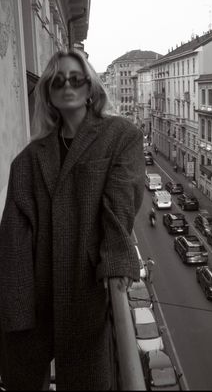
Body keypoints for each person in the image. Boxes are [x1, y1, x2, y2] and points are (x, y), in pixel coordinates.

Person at [0, 50, 145, 390]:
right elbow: (13, 238)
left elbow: (119, 211)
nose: (67, 85)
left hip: (87, 290)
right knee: (23, 377)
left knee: (88, 379)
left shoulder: (121, 136)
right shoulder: (28, 160)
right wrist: (15, 313)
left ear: (91, 87)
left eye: (76, 78)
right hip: (36, 290)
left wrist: (116, 265)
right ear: (48, 92)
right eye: (57, 80)